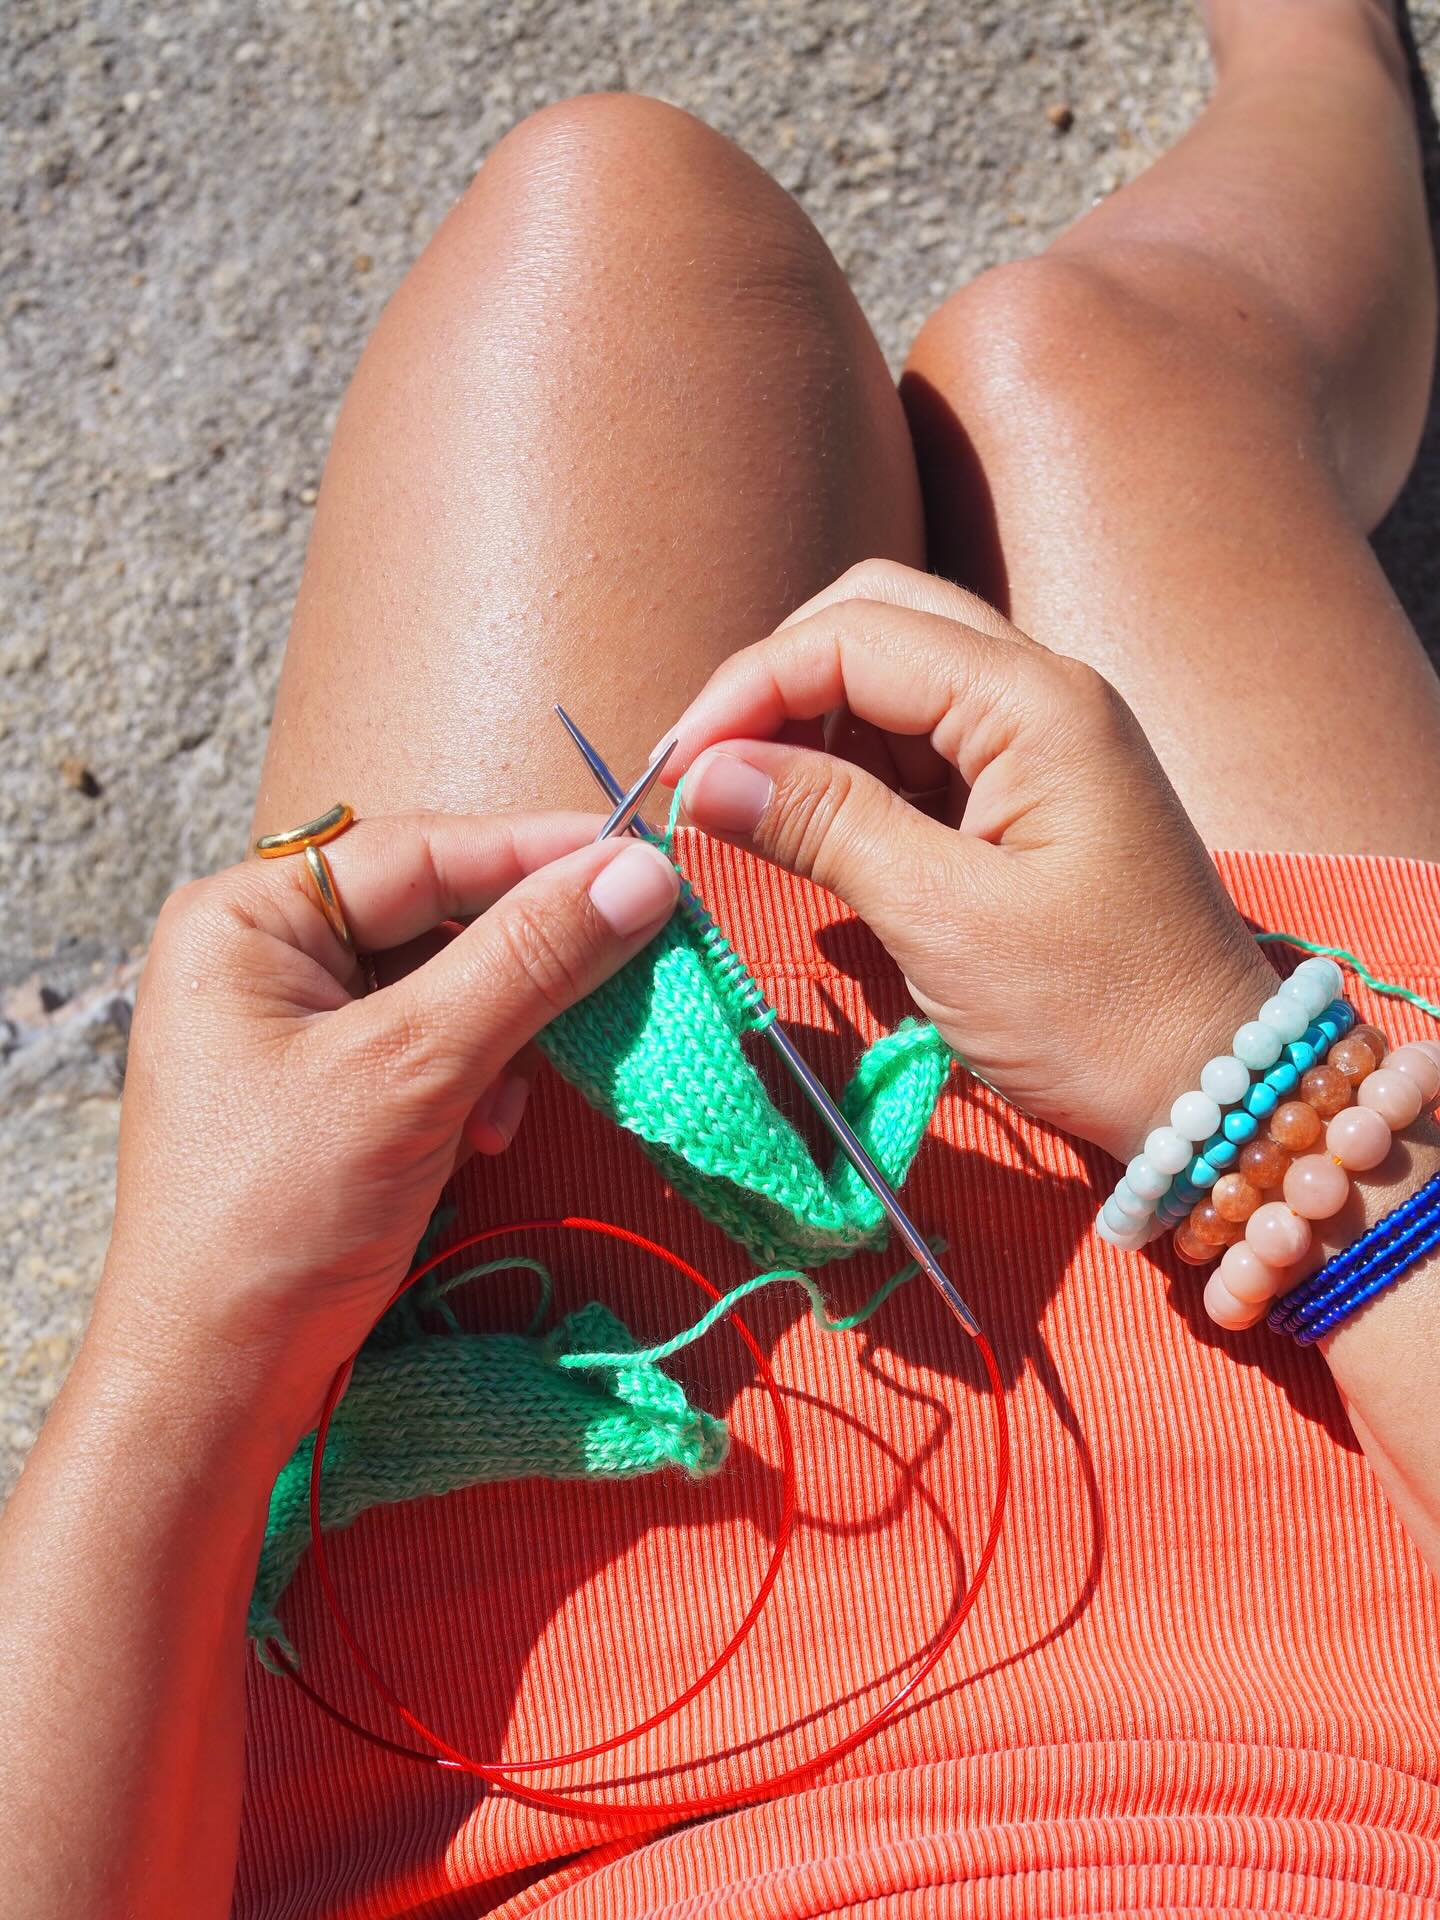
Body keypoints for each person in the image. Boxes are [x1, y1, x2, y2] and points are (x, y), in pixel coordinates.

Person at [3, 0, 1439, 1913]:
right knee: (1100, 370)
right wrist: (1262, 1091)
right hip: (1354, 1526)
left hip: (501, 1548)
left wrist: (197, 1330)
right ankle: (1329, 74)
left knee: (603, 218)